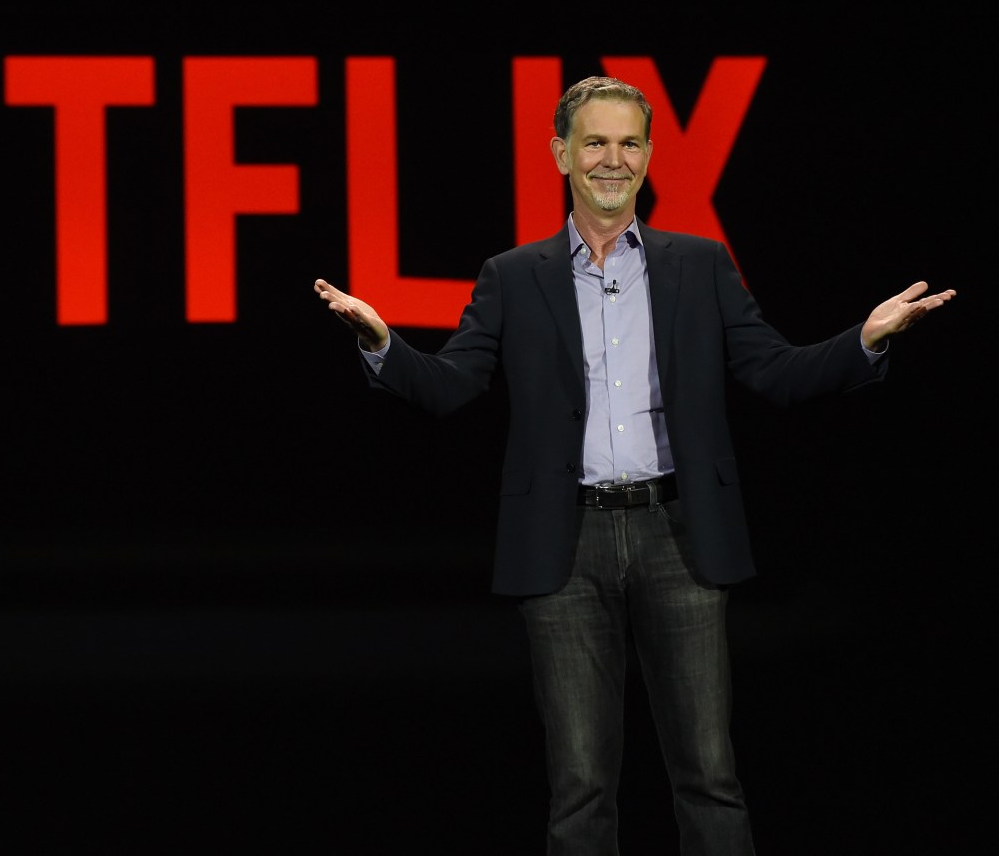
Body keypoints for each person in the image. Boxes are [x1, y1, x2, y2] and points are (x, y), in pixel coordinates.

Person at [312, 75, 955, 855]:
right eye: (595, 142)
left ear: (648, 156)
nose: (612, 159)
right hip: (565, 543)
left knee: (709, 775)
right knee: (580, 786)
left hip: (679, 533)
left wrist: (866, 339)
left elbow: (775, 372)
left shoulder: (701, 264)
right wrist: (383, 344)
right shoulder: (512, 275)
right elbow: (452, 386)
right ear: (561, 154)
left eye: (628, 143)